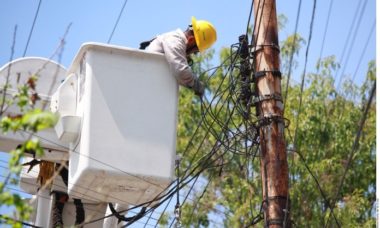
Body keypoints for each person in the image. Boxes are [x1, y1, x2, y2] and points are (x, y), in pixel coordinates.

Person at [142, 16, 217, 97]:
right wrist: (196, 84)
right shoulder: (175, 40)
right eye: (195, 51)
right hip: (145, 84)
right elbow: (180, 70)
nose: (193, 53)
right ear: (191, 40)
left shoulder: (174, 40)